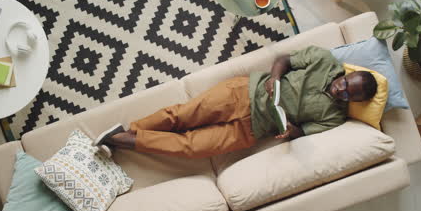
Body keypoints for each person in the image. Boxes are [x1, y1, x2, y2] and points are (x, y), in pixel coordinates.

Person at [94, 46, 378, 159]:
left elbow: (304, 132)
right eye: (345, 84)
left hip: (252, 130)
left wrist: (291, 131)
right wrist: (275, 79)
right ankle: (128, 131)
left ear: (355, 100)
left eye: (350, 95)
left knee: (191, 147)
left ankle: (120, 140)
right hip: (244, 93)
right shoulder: (325, 60)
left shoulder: (336, 117)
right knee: (182, 116)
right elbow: (284, 61)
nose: (342, 90)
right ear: (347, 74)